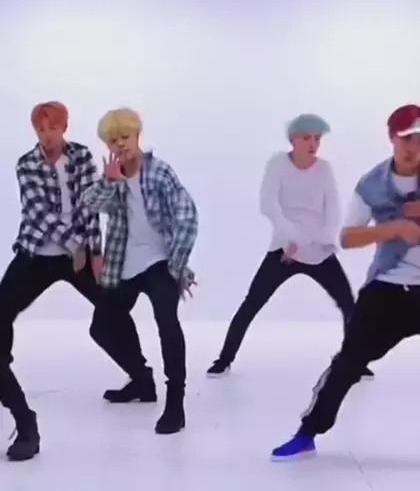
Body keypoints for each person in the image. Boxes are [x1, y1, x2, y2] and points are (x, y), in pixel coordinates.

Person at [271, 104, 420, 461]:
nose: (413, 147)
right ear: (392, 138)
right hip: (388, 288)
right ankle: (307, 434)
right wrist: (394, 228)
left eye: (419, 139)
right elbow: (347, 237)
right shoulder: (372, 184)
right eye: (406, 138)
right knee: (348, 362)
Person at [207, 113, 373, 379]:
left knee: (348, 304)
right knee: (252, 303)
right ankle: (224, 360)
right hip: (285, 251)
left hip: (318, 250)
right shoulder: (278, 165)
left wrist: (324, 241)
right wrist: (289, 239)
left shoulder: (324, 169)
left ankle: (356, 361)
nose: (313, 144)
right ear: (293, 139)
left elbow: (333, 210)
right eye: (307, 138)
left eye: (317, 139)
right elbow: (269, 205)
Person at [83, 108, 198, 435]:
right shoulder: (113, 176)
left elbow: (187, 216)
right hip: (124, 263)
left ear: (137, 137)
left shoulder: (158, 172)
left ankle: (175, 403)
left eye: (125, 137)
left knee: (167, 322)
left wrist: (177, 266)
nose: (120, 144)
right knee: (102, 326)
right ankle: (142, 381)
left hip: (160, 262)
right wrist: (109, 180)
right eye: (113, 140)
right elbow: (92, 204)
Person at [0, 101, 104, 461]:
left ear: (64, 127)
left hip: (80, 255)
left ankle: (141, 377)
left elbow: (91, 206)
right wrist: (75, 244)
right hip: (36, 252)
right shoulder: (26, 164)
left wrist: (95, 252)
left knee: (112, 307)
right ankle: (23, 416)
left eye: (53, 128)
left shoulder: (82, 157)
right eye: (40, 129)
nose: (47, 135)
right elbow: (38, 213)